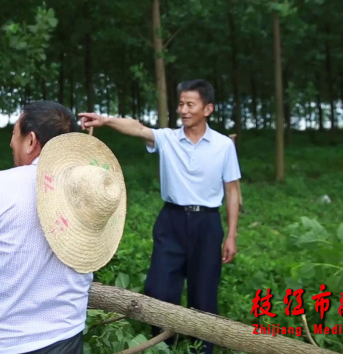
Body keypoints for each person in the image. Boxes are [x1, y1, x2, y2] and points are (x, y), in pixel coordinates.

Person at [0, 100, 127, 354]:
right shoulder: (89, 192)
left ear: (31, 141)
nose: (11, 143)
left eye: (14, 134)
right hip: (65, 339)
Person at [79, 79, 241, 353]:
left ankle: (203, 348)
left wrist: (232, 234)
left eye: (190, 104)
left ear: (208, 109)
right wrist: (105, 121)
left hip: (207, 223)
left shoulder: (223, 145)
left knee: (204, 293)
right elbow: (137, 128)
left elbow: (232, 190)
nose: (183, 110)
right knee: (159, 289)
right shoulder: (168, 139)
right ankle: (164, 345)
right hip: (171, 221)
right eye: (181, 104)